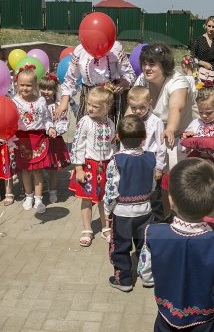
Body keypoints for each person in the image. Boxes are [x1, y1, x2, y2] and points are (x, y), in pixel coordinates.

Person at [138, 158, 214, 332]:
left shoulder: (152, 234)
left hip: (166, 319)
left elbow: (146, 277)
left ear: (170, 199)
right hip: (204, 323)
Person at [103, 115, 156, 292]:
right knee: (144, 244)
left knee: (121, 246)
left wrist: (107, 209)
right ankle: (148, 276)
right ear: (144, 137)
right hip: (145, 210)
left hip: (123, 213)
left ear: (118, 136)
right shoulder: (151, 157)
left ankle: (124, 279)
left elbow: (111, 189)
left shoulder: (116, 160)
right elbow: (153, 184)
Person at [69, 86, 116, 247]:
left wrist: (114, 164)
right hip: (88, 167)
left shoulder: (110, 123)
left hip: (106, 167)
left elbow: (112, 145)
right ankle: (87, 229)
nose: (90, 108)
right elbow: (77, 146)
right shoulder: (85, 122)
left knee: (105, 199)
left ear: (106, 108)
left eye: (95, 106)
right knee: (87, 200)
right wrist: (79, 168)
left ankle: (106, 227)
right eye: (89, 104)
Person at [55, 40, 135, 124]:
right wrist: (64, 102)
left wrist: (123, 83)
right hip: (90, 99)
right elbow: (70, 78)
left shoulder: (115, 48)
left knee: (112, 129)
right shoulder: (80, 51)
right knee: (87, 128)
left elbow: (129, 74)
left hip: (111, 99)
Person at [12, 66, 56, 213]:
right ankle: (28, 196)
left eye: (28, 85)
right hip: (22, 139)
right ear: (17, 84)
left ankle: (38, 199)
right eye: (22, 85)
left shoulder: (41, 101)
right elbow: (9, 121)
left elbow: (46, 118)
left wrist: (50, 127)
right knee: (25, 170)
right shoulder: (15, 101)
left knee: (37, 170)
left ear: (35, 86)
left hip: (38, 139)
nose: (24, 88)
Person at [125, 86, 166, 221]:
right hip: (133, 163)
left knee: (154, 196)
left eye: (142, 107)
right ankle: (140, 220)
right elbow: (123, 141)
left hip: (150, 164)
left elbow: (161, 146)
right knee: (136, 193)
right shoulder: (129, 121)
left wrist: (159, 167)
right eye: (134, 108)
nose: (138, 111)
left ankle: (158, 224)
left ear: (150, 103)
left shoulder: (156, 121)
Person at [39, 73, 70, 204]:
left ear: (55, 90)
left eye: (50, 89)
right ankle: (39, 191)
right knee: (38, 168)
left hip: (53, 141)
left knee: (52, 169)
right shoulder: (37, 104)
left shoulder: (59, 106)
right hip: (39, 141)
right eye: (43, 88)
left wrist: (56, 131)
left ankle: (53, 191)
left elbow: (64, 123)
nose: (46, 92)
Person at [190, 16, 214, 86]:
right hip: (201, 76)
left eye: (213, 27)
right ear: (205, 26)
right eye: (209, 26)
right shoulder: (198, 41)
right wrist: (203, 63)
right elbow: (192, 58)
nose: (211, 29)